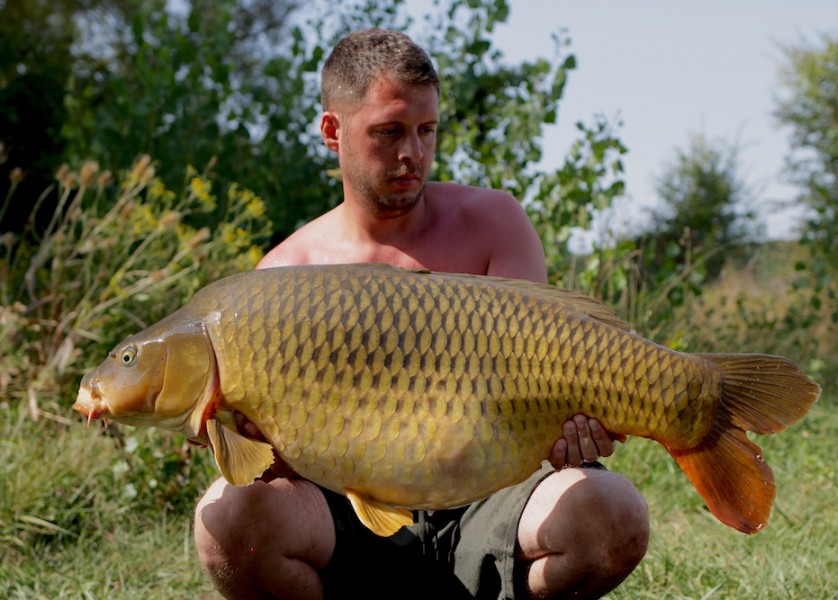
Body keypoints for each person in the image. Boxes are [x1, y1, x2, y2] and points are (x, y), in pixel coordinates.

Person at [194, 28, 649, 599]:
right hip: (348, 516)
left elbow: (542, 377)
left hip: (492, 493)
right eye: (389, 132)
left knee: (612, 513)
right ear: (333, 131)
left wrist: (570, 429)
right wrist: (254, 450)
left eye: (426, 130)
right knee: (226, 517)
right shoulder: (284, 274)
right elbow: (276, 470)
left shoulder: (494, 223)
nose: (412, 153)